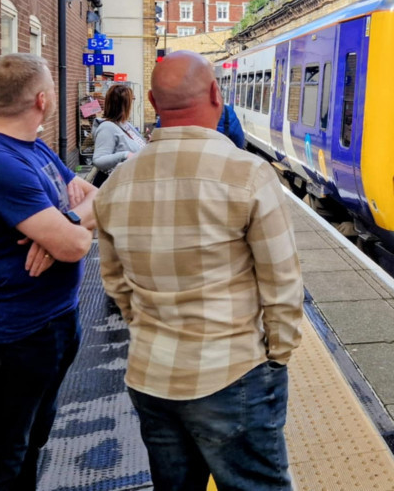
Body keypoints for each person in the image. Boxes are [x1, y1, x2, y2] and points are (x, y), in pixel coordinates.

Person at [95, 51, 303, 491]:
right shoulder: (249, 175)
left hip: (150, 376)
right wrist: (277, 357)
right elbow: (282, 284)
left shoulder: (117, 184)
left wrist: (151, 329)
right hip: (233, 373)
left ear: (151, 101)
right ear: (216, 94)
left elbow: (114, 283)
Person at [0, 53, 98, 490]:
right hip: (15, 333)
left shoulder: (34, 149)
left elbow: (98, 195)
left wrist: (64, 227)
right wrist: (68, 231)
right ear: (41, 99)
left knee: (33, 440)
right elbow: (77, 244)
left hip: (55, 318)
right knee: (2, 454)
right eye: (53, 89)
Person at [91, 83, 146, 186]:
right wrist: (124, 155)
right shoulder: (107, 128)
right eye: (131, 101)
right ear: (124, 105)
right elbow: (98, 160)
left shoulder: (125, 124)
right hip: (112, 185)